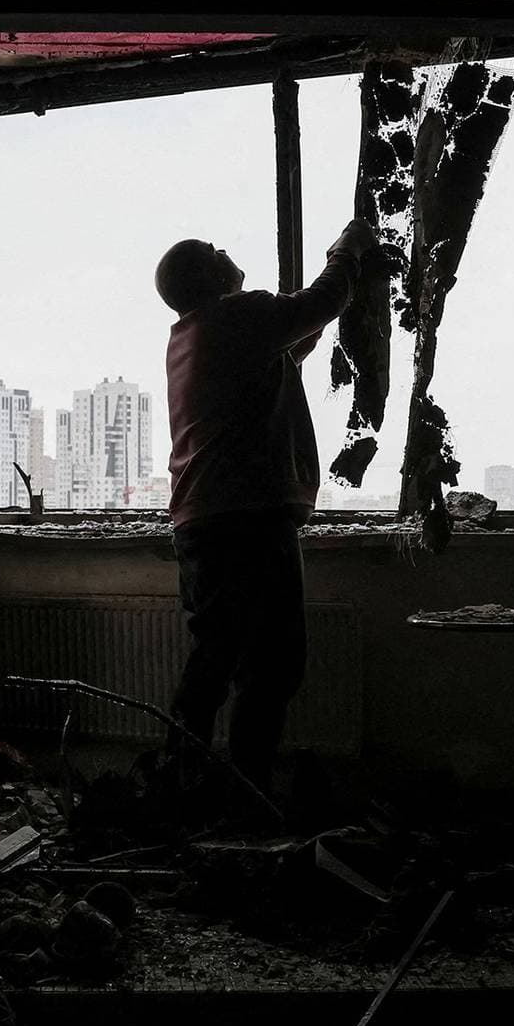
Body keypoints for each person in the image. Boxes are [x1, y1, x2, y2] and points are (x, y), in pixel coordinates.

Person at [155, 219, 378, 795]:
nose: (225, 248)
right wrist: (345, 252)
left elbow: (289, 342)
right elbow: (319, 302)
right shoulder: (235, 314)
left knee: (218, 657)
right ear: (207, 277)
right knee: (274, 665)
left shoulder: (193, 334)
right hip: (246, 518)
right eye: (213, 249)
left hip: (207, 520)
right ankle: (244, 790)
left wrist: (315, 318)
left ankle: (184, 785)